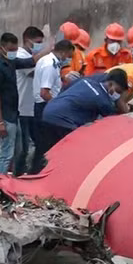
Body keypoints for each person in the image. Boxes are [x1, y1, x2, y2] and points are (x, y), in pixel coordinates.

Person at [0, 32, 52, 174]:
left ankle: (13, 181)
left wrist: (47, 50)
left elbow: (29, 62)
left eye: (15, 50)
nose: (14, 53)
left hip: (13, 114)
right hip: (4, 116)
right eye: (11, 50)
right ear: (2, 47)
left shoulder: (10, 61)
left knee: (19, 151)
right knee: (6, 154)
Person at [35, 69, 130, 162]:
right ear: (110, 84)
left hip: (48, 111)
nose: (117, 95)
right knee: (69, 153)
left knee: (46, 151)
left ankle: (34, 171)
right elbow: (113, 122)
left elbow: (65, 88)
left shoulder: (86, 81)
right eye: (118, 91)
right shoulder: (103, 100)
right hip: (62, 121)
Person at [29, 40, 75, 173]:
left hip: (44, 107)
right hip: (45, 108)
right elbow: (44, 93)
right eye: (67, 56)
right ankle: (36, 174)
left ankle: (36, 173)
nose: (67, 59)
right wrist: (57, 106)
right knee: (45, 146)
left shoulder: (48, 61)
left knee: (43, 145)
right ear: (63, 52)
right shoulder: (50, 65)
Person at [13, 26, 44, 176]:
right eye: (37, 42)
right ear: (27, 40)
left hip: (30, 107)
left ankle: (29, 174)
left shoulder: (30, 56)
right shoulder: (20, 55)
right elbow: (34, 72)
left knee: (35, 143)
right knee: (23, 148)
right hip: (21, 108)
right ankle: (18, 175)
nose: (40, 46)